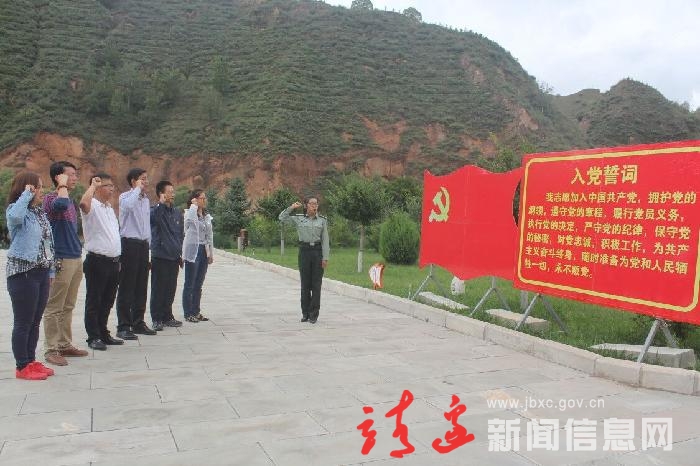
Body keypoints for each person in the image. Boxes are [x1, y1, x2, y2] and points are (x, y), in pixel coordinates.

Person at [6, 171, 56, 380]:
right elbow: (15, 217)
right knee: (23, 322)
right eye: (38, 187)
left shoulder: (39, 213)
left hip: (41, 272)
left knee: (35, 321)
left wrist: (51, 270)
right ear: (28, 188)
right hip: (23, 273)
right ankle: (22, 366)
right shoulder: (16, 210)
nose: (42, 191)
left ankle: (31, 361)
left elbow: (48, 242)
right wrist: (26, 195)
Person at [43, 161, 88, 366]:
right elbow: (59, 206)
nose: (75, 178)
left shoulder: (68, 199)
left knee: (68, 305)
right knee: (55, 306)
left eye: (75, 174)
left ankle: (64, 343)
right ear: (58, 177)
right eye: (71, 174)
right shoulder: (51, 198)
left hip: (75, 256)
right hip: (61, 258)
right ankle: (51, 349)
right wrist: (61, 185)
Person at [79, 174, 123, 350]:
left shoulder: (109, 208)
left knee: (108, 300)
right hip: (97, 261)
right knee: (94, 300)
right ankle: (93, 336)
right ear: (97, 188)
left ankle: (103, 332)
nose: (111, 189)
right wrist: (92, 186)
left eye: (112, 186)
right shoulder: (92, 205)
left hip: (113, 261)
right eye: (107, 185)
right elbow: (83, 204)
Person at [116, 168, 156, 339]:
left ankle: (138, 322)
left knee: (141, 286)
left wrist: (149, 246)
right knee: (127, 286)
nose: (146, 182)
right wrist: (137, 189)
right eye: (142, 179)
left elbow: (146, 225)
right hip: (129, 244)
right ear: (133, 181)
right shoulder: (125, 197)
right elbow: (128, 207)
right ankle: (124, 325)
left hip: (143, 245)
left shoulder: (146, 200)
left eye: (146, 179)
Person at [279, 196, 329, 324]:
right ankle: (305, 313)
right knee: (305, 285)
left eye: (316, 204)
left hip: (317, 252)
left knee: (316, 285)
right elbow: (282, 218)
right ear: (306, 205)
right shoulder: (299, 218)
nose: (314, 206)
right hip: (304, 252)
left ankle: (314, 315)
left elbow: (325, 240)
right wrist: (291, 207)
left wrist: (325, 257)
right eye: (311, 203)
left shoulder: (322, 220)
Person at [150, 180, 184, 331]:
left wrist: (179, 253)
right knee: (158, 289)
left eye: (173, 191)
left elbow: (179, 234)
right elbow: (154, 220)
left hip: (174, 256)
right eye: (169, 192)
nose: (173, 194)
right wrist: (161, 204)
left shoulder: (176, 212)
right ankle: (157, 318)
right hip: (160, 256)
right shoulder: (155, 210)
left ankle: (167, 316)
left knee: (170, 288)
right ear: (161, 194)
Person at [182, 189, 213, 323]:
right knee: (190, 283)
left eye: (205, 198)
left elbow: (209, 235)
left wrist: (210, 253)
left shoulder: (206, 216)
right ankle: (188, 313)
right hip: (193, 250)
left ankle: (196, 311)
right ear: (195, 199)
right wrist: (193, 206)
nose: (204, 200)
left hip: (203, 250)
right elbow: (189, 223)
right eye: (202, 198)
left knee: (198, 283)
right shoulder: (189, 212)